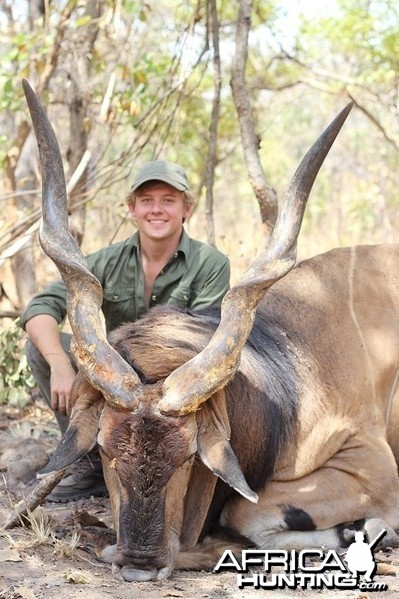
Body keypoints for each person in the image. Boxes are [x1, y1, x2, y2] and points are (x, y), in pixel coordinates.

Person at [20, 160, 230, 502]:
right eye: (146, 200)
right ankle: (89, 462)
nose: (157, 209)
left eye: (168, 200)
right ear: (131, 208)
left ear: (186, 209)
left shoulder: (211, 264)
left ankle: (177, 466)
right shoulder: (105, 260)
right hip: (118, 385)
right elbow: (42, 308)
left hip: (172, 391)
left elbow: (205, 343)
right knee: (42, 349)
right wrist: (59, 363)